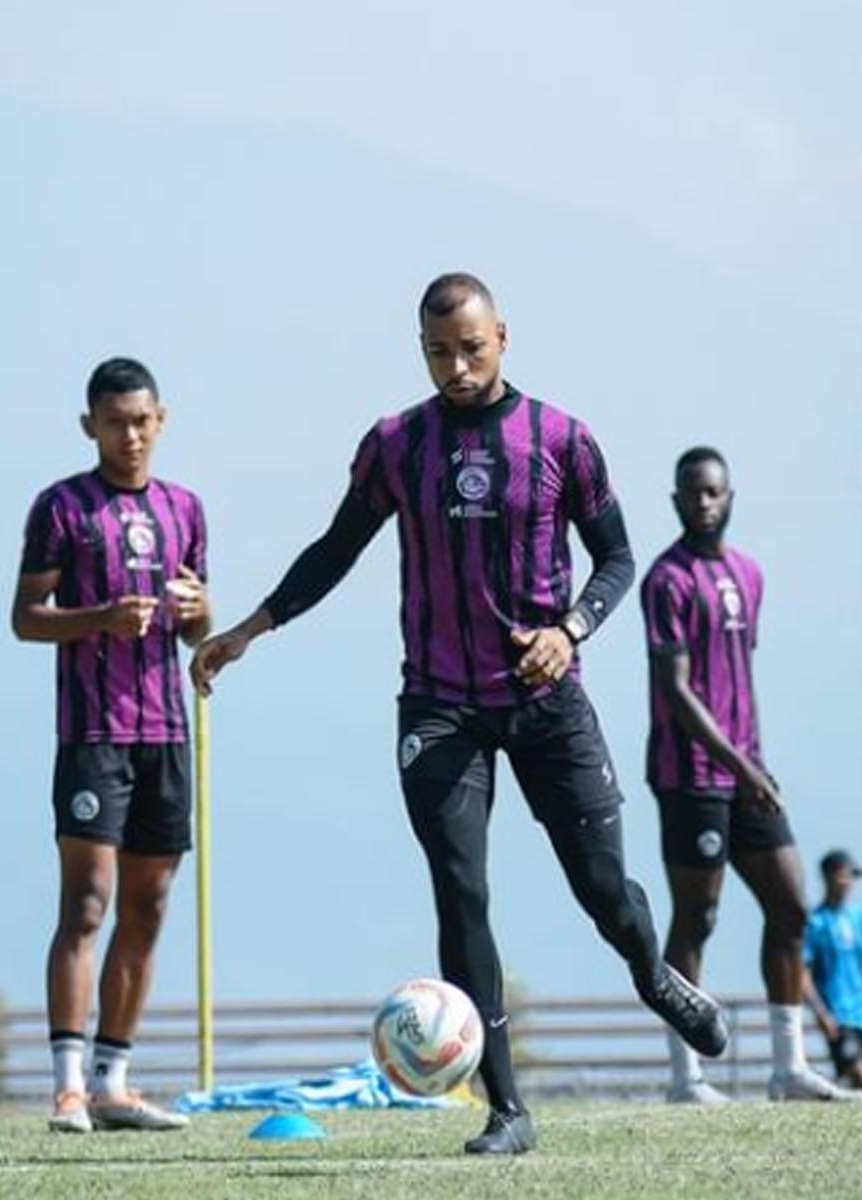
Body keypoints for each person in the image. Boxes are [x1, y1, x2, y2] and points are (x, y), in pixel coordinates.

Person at [190, 273, 726, 1155]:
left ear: (503, 337)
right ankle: (507, 1108)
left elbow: (618, 558)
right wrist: (251, 628)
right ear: (421, 350)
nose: (456, 366)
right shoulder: (397, 444)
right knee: (461, 889)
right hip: (438, 706)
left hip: (547, 702)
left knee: (604, 892)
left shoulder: (562, 439)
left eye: (471, 347)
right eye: (438, 351)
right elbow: (335, 548)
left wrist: (570, 628)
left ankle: (652, 971)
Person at [14, 357, 207, 1134]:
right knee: (87, 902)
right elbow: (26, 617)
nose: (130, 436)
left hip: (165, 732)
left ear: (161, 419)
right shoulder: (60, 507)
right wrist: (96, 617)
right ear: (89, 425)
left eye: (141, 421)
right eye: (114, 422)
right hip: (93, 731)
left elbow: (193, 620)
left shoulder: (186, 508)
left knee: (150, 906)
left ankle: (113, 1082)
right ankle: (65, 1087)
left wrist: (201, 609)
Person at [642, 448, 854, 1103]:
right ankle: (687, 1076)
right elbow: (676, 692)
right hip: (691, 776)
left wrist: (750, 765)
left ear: (730, 497)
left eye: (713, 492)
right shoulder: (666, 581)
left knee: (790, 909)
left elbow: (737, 674)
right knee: (696, 917)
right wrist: (740, 765)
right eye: (691, 493)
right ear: (675, 501)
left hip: (747, 773)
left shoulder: (750, 574)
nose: (703, 503)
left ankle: (788, 1068)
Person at [803, 849, 862, 1097]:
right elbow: (802, 975)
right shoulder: (815, 922)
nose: (849, 883)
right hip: (837, 1016)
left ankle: (828, 1101)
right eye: (844, 875)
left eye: (852, 877)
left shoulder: (857, 917)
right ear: (828, 877)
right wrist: (820, 1012)